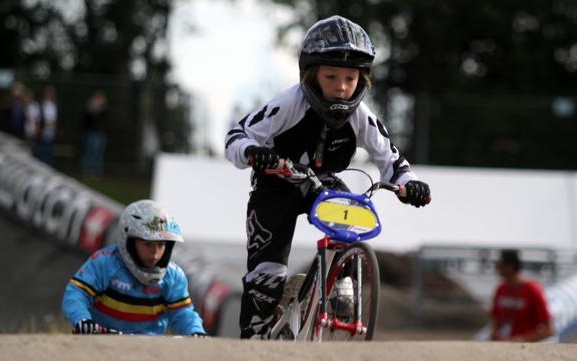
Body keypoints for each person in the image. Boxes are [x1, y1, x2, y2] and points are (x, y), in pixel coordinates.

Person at [224, 15, 431, 339]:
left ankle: (344, 283)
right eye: (331, 76)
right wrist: (252, 152)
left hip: (323, 182)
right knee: (267, 275)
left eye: (350, 78)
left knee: (352, 224)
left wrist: (410, 185)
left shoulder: (362, 116)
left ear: (363, 79)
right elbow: (237, 135)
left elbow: (392, 160)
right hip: (275, 184)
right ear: (310, 74)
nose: (341, 86)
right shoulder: (288, 104)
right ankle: (256, 334)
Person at [62, 199, 206, 336]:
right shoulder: (104, 262)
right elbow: (77, 293)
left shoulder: (174, 276)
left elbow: (183, 313)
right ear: (128, 241)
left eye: (161, 245)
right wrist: (82, 319)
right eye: (147, 244)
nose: (155, 253)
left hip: (147, 350)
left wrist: (195, 332)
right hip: (97, 342)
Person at [490, 249, 554, 342]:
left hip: (527, 348)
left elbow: (549, 330)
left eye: (499, 265)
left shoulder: (532, 290)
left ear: (510, 266)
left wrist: (521, 340)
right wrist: (495, 335)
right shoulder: (501, 289)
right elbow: (497, 322)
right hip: (505, 346)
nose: (497, 268)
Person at [81, 90, 108, 178]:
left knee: (98, 153)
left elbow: (105, 121)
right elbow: (87, 120)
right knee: (90, 152)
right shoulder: (90, 109)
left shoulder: (104, 110)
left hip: (100, 133)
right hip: (91, 133)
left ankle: (96, 171)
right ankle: (87, 171)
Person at [34, 85, 57, 166]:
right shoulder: (41, 105)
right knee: (41, 154)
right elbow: (38, 120)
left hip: (50, 133)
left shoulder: (53, 105)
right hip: (42, 133)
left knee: (48, 154)